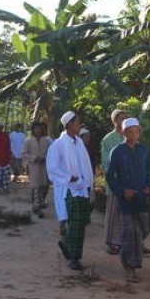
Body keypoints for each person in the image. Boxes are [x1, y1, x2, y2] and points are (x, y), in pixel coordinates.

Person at [106, 117, 150, 283]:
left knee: (143, 230)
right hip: (125, 200)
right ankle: (130, 267)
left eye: (136, 131)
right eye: (130, 132)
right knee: (129, 233)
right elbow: (110, 177)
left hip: (141, 198)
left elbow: (149, 172)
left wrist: (149, 186)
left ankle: (133, 261)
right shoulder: (117, 151)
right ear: (124, 133)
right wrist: (122, 191)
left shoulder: (143, 151)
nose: (134, 135)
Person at [47, 111, 95, 271]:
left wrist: (88, 182)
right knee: (75, 223)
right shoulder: (58, 145)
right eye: (77, 122)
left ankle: (67, 244)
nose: (79, 125)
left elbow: (85, 164)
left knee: (82, 222)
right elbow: (52, 168)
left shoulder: (79, 143)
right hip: (70, 189)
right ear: (68, 125)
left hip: (82, 188)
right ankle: (74, 258)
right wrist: (68, 177)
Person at [100, 109, 127, 255]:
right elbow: (106, 163)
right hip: (115, 183)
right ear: (114, 121)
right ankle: (111, 243)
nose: (122, 120)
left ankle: (127, 242)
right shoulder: (108, 139)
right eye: (119, 118)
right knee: (113, 214)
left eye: (125, 117)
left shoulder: (129, 136)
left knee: (127, 215)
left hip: (129, 184)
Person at [22, 121, 52, 218]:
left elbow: (52, 153)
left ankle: (38, 204)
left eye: (40, 128)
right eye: (36, 128)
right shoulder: (28, 141)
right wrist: (34, 158)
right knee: (36, 187)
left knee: (44, 186)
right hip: (34, 167)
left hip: (44, 167)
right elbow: (24, 154)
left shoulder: (46, 141)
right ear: (33, 130)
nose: (38, 130)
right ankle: (37, 207)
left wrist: (45, 158)